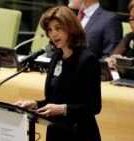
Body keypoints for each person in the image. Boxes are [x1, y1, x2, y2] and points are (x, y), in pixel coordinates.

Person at [14, 6, 101, 141]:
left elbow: (94, 106)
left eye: (58, 28)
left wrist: (64, 109)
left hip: (79, 134)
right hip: (56, 132)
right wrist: (35, 104)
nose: (53, 34)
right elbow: (54, 101)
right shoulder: (56, 57)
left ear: (71, 28)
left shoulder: (88, 60)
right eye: (50, 29)